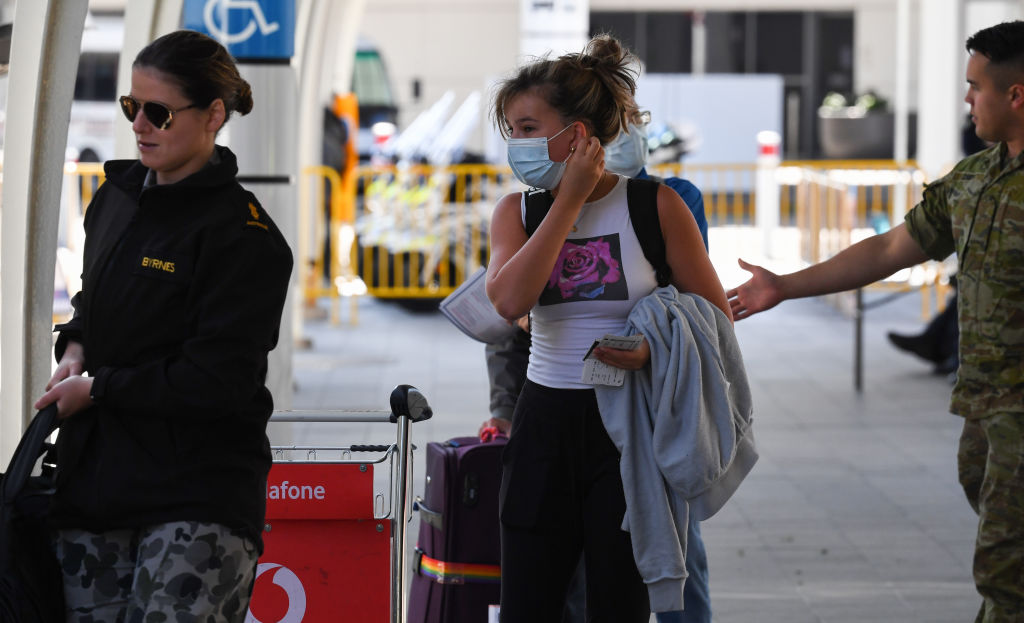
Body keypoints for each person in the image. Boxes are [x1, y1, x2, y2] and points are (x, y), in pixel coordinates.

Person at [726, 21, 1024, 622]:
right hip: (984, 409)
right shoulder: (973, 181)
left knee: (1004, 570)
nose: (967, 100)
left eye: (975, 87)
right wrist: (785, 285)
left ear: (1016, 95)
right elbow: (891, 250)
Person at [33, 30, 293, 622]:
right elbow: (96, 297)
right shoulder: (117, 196)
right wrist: (76, 344)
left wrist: (97, 389)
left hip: (195, 491)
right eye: (132, 107)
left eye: (159, 112)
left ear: (213, 115)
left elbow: (218, 380)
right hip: (96, 485)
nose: (139, 125)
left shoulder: (245, 238)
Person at [486, 34, 732, 623]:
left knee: (619, 603)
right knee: (529, 602)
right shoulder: (516, 212)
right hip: (544, 418)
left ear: (576, 135)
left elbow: (715, 321)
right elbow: (509, 300)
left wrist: (656, 348)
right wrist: (568, 203)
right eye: (512, 130)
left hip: (627, 428)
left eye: (526, 127)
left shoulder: (656, 206)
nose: (516, 144)